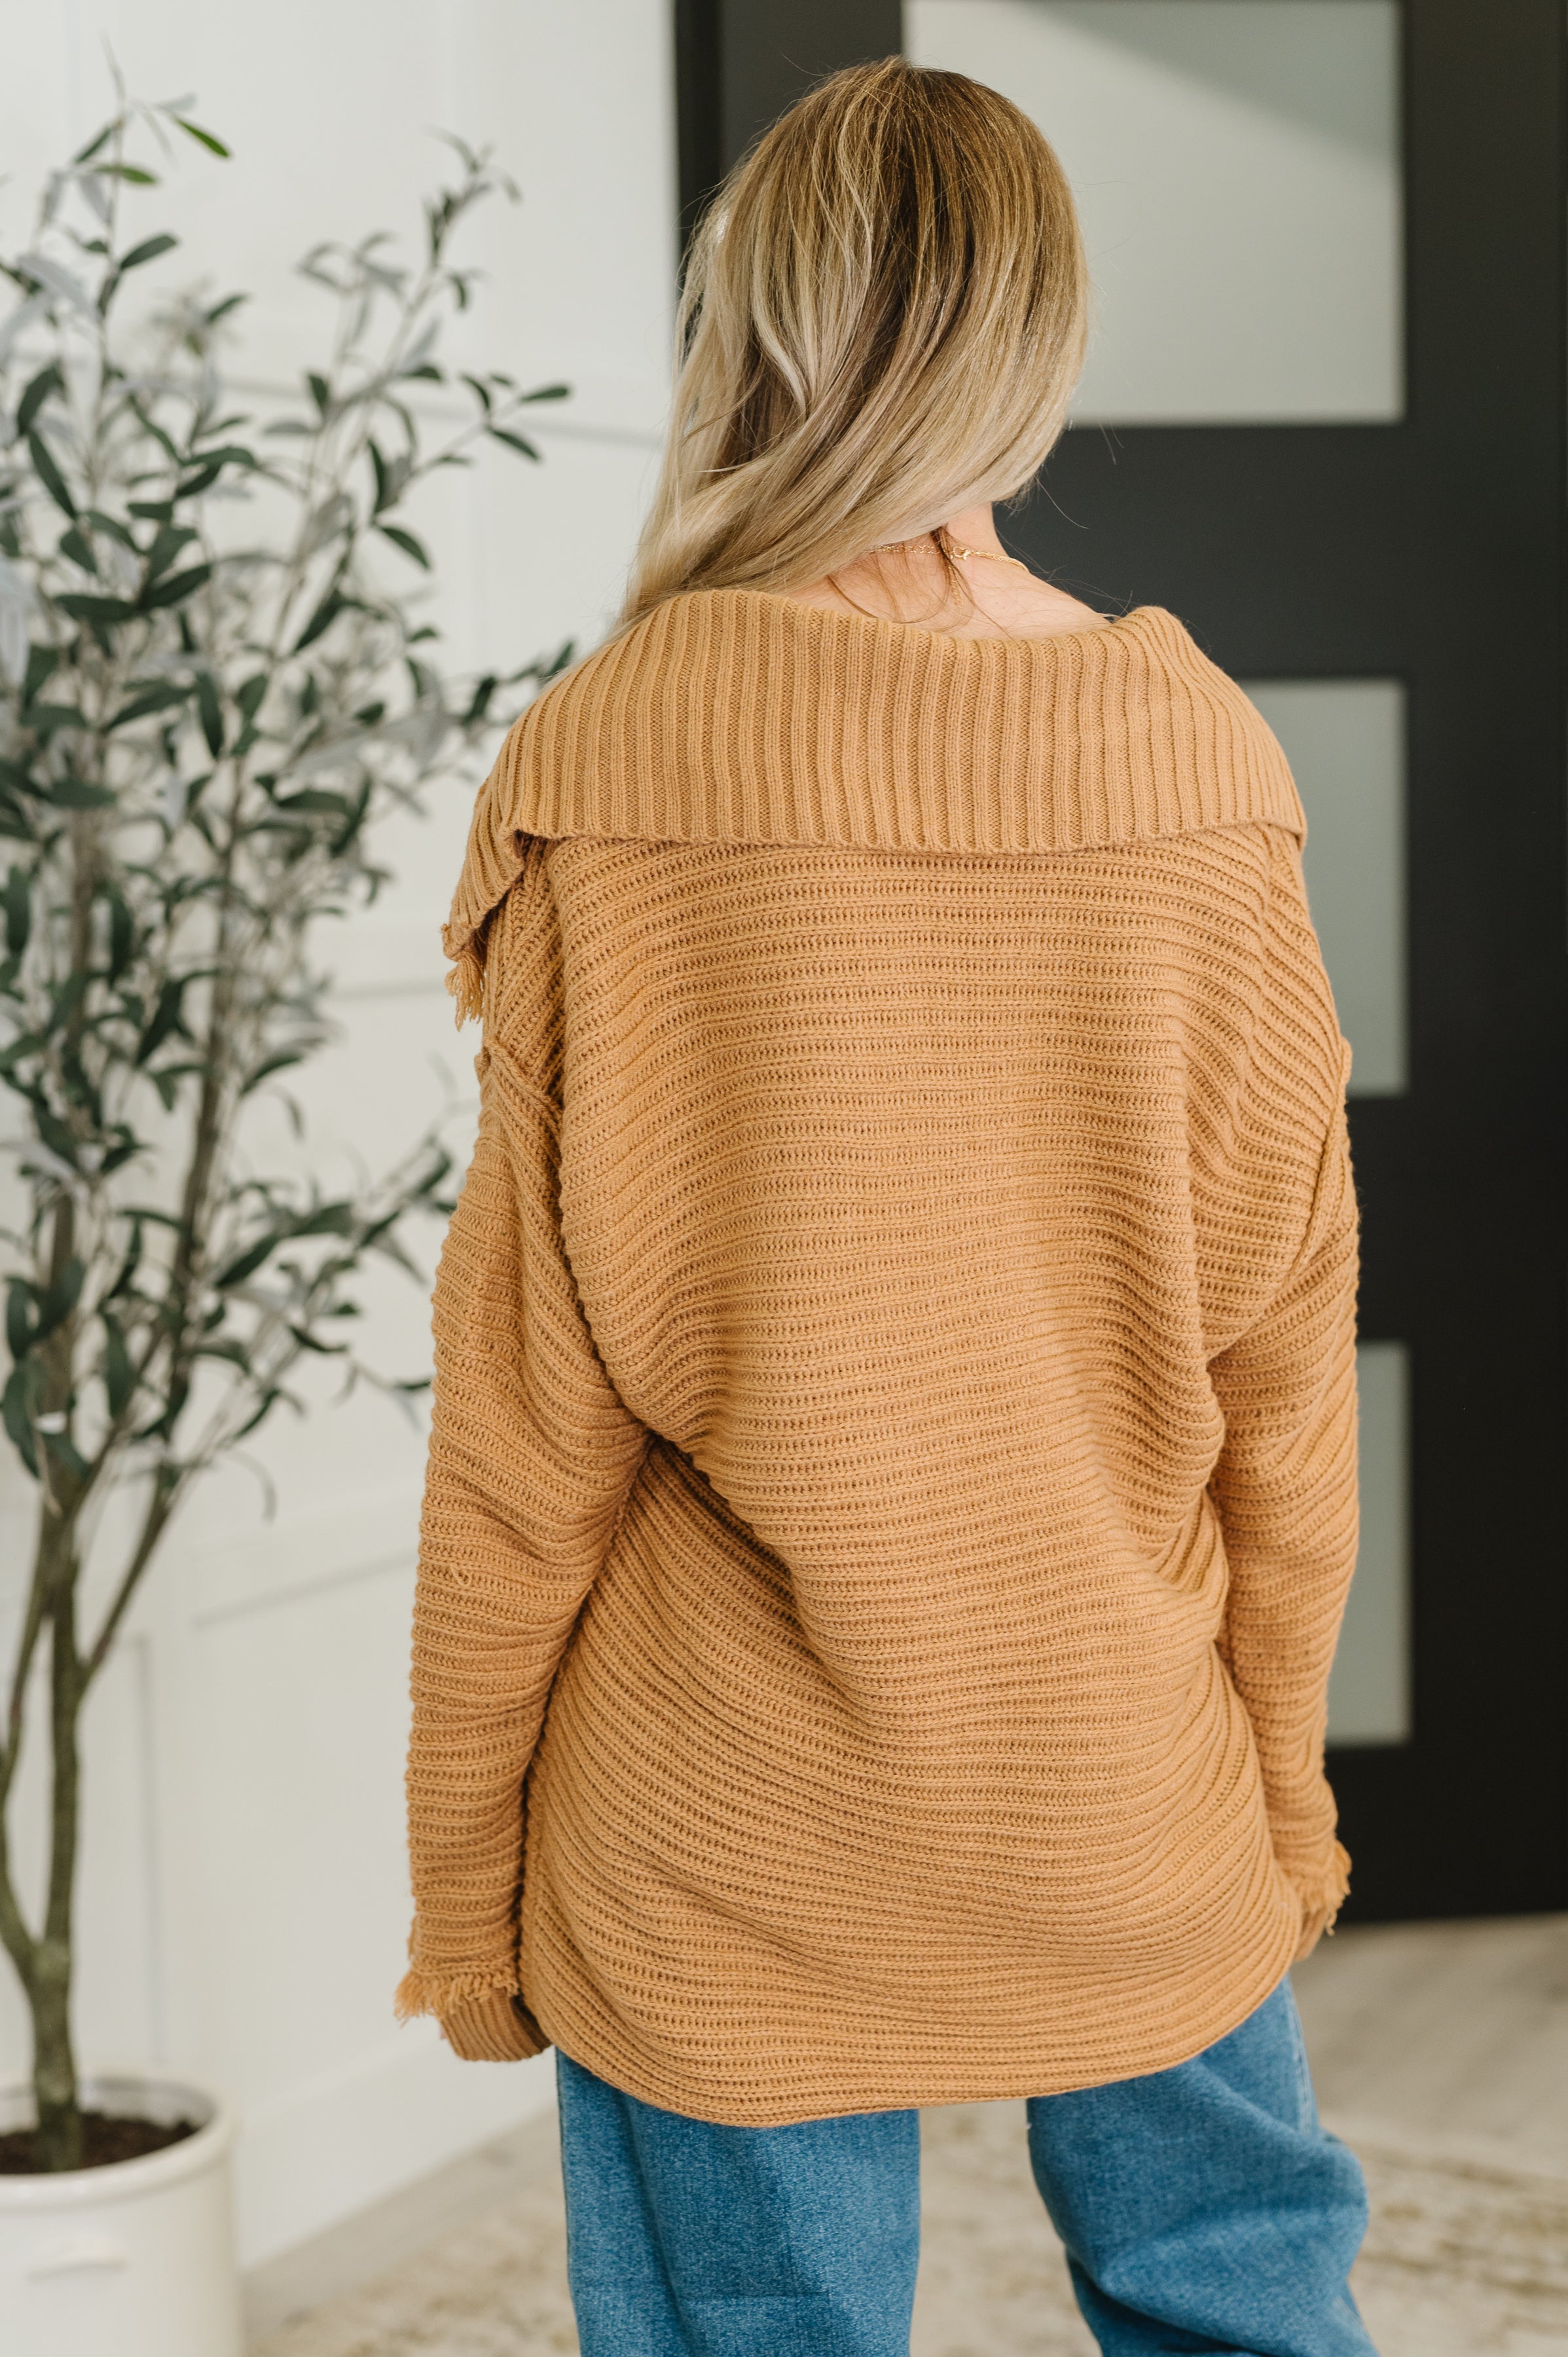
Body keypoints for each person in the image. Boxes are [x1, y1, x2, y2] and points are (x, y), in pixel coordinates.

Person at [398, 57, 1376, 2357]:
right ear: (1040, 349)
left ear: (745, 329)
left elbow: (529, 1423)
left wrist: (467, 1882)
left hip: (719, 1825)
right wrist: (1275, 1801)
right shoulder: (1205, 766)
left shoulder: (606, 756)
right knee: (1245, 2310)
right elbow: (1281, 1393)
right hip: (1118, 1783)